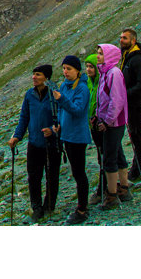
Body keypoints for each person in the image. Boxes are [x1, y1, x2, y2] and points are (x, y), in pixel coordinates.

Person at [8, 64, 60, 221]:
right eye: (33, 74)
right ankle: (36, 207)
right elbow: (24, 117)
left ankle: (49, 205)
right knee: (34, 177)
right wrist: (17, 136)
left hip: (52, 143)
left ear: (46, 77)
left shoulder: (55, 94)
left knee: (52, 176)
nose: (34, 77)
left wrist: (54, 129)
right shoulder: (29, 95)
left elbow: (63, 115)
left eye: (38, 74)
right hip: (34, 143)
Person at [50, 54, 90, 224]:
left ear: (77, 70)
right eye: (64, 68)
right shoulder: (64, 86)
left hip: (78, 136)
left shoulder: (82, 88)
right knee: (76, 171)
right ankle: (81, 205)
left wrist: (62, 99)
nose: (65, 72)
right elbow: (60, 109)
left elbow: (78, 110)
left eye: (69, 69)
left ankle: (82, 209)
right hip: (67, 134)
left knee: (79, 172)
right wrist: (58, 123)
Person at [94, 43, 130, 209]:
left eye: (101, 54)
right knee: (118, 154)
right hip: (110, 121)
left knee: (109, 157)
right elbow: (102, 99)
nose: (98, 56)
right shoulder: (105, 72)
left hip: (113, 123)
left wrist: (107, 121)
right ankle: (124, 188)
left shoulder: (113, 73)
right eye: (98, 53)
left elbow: (117, 100)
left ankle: (112, 195)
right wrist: (97, 115)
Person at [119, 27, 141, 180]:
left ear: (133, 40)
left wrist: (125, 94)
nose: (121, 40)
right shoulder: (128, 56)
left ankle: (138, 168)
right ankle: (137, 165)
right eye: (121, 38)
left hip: (135, 103)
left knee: (137, 134)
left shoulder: (138, 59)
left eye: (125, 38)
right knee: (134, 134)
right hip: (130, 102)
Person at [84, 52, 104, 204]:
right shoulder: (90, 83)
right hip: (93, 123)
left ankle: (105, 188)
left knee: (104, 155)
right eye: (87, 67)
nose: (88, 70)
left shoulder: (101, 81)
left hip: (102, 123)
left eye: (91, 67)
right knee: (101, 153)